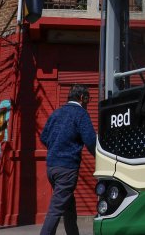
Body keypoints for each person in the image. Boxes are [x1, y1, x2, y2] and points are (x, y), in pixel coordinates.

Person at [39, 85, 96, 235]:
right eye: (88, 99)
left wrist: (56, 148)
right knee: (56, 209)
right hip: (67, 169)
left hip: (51, 167)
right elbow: (90, 140)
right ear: (82, 98)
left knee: (68, 206)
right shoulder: (80, 114)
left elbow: (44, 137)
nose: (88, 103)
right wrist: (100, 156)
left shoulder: (56, 113)